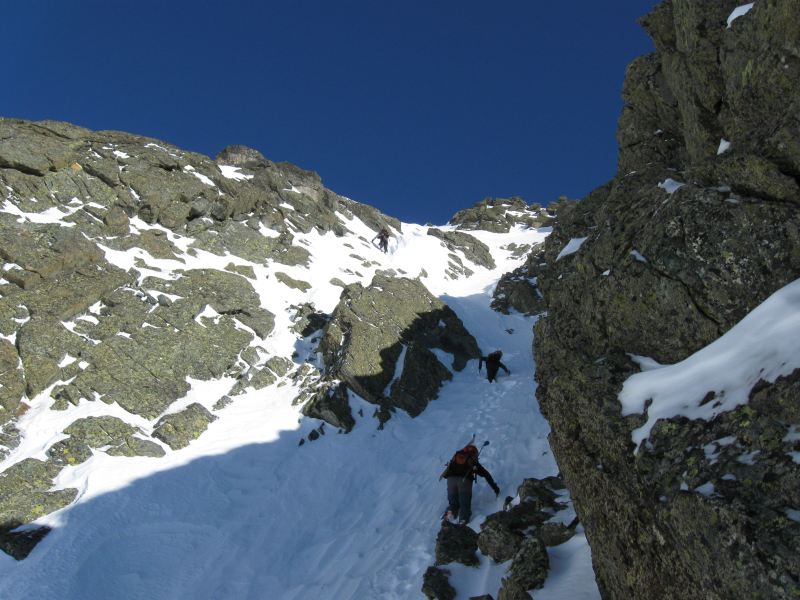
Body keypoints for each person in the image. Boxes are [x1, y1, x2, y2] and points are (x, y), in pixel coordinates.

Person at [441, 443, 500, 525]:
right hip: (464, 481)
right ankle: (463, 521)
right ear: (474, 453)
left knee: (453, 503)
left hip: (451, 480)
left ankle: (449, 515)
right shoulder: (473, 461)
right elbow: (486, 475)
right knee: (464, 505)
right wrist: (495, 488)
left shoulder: (457, 457)